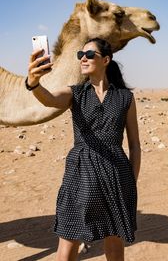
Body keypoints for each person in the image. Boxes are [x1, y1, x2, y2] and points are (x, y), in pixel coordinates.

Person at [26, 37, 141, 261]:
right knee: (67, 244)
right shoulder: (75, 94)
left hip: (116, 177)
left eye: (89, 55)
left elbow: (135, 145)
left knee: (115, 248)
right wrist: (34, 83)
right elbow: (49, 100)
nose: (83, 59)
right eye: (81, 55)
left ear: (106, 60)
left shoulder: (125, 98)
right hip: (79, 176)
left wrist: (131, 183)